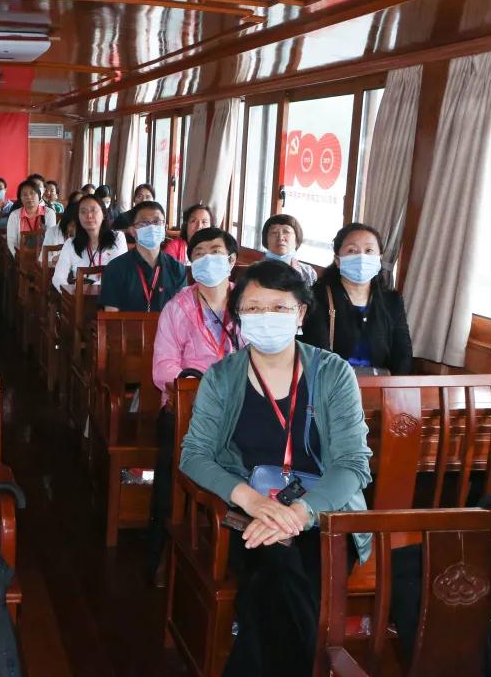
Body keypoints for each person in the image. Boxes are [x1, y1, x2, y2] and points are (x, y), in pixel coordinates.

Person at [179, 259, 372, 675]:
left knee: (274, 586)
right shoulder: (222, 376)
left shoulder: (333, 373)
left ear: (300, 313)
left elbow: (352, 464)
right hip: (251, 515)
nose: (266, 316)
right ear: (238, 317)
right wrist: (252, 501)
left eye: (279, 307)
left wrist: (299, 513)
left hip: (325, 516)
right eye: (253, 308)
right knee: (278, 573)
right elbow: (194, 454)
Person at [147, 227, 245, 579]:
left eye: (215, 252)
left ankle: (241, 552)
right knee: (168, 473)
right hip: (187, 408)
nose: (207, 259)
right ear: (191, 263)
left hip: (242, 409)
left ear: (231, 261)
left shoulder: (249, 303)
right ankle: (160, 550)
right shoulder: (178, 307)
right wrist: (206, 393)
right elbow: (163, 369)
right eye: (199, 253)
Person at [300, 223, 412, 375]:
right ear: (337, 260)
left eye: (369, 250)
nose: (361, 257)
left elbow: (403, 353)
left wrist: (395, 386)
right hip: (335, 382)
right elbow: (318, 352)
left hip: (381, 383)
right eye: (352, 250)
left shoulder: (392, 300)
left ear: (379, 258)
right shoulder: (318, 296)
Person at [99, 200, 186, 312]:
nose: (151, 227)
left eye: (156, 222)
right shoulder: (115, 268)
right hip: (127, 324)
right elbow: (111, 315)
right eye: (144, 223)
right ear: (133, 231)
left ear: (164, 228)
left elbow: (182, 314)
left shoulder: (177, 269)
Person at [51, 195, 127, 291]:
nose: (89, 216)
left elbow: (115, 274)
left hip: (109, 296)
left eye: (93, 210)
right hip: (78, 296)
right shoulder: (70, 244)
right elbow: (58, 278)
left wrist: (89, 292)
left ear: (104, 214)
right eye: (83, 212)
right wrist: (70, 294)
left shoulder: (117, 238)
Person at [261, 214, 318, 286]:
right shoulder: (255, 272)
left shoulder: (308, 273)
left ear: (297, 239)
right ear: (266, 240)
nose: (280, 238)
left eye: (286, 232)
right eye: (274, 232)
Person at [6, 179, 57, 256]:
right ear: (20, 198)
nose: (29, 197)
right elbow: (11, 241)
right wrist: (18, 257)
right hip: (21, 255)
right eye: (24, 194)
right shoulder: (14, 215)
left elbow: (51, 239)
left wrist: (42, 259)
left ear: (39, 195)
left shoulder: (49, 213)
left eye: (32, 193)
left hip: (44, 256)